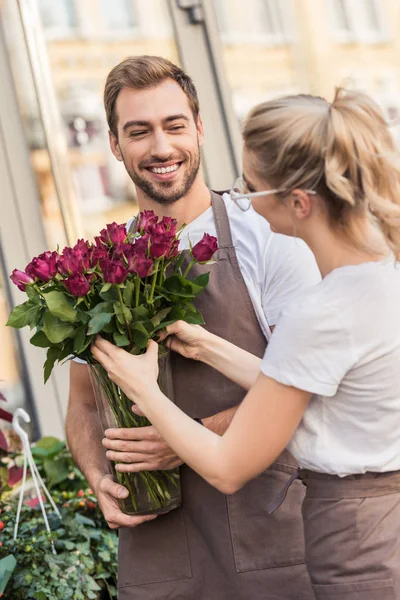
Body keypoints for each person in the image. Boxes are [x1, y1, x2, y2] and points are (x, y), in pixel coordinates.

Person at [92, 88, 400, 600]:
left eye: (249, 187)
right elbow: (309, 385)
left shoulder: (320, 311)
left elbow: (228, 467)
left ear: (298, 202)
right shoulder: (374, 279)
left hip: (359, 545)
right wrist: (208, 347)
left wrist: (144, 391)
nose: (237, 199)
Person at [66, 56, 320, 600]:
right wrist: (97, 478)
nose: (160, 147)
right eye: (138, 131)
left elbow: (306, 389)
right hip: (158, 555)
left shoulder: (268, 239)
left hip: (267, 540)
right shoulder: (98, 267)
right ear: (114, 144)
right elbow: (85, 403)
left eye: (174, 125)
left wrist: (183, 439)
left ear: (199, 129)